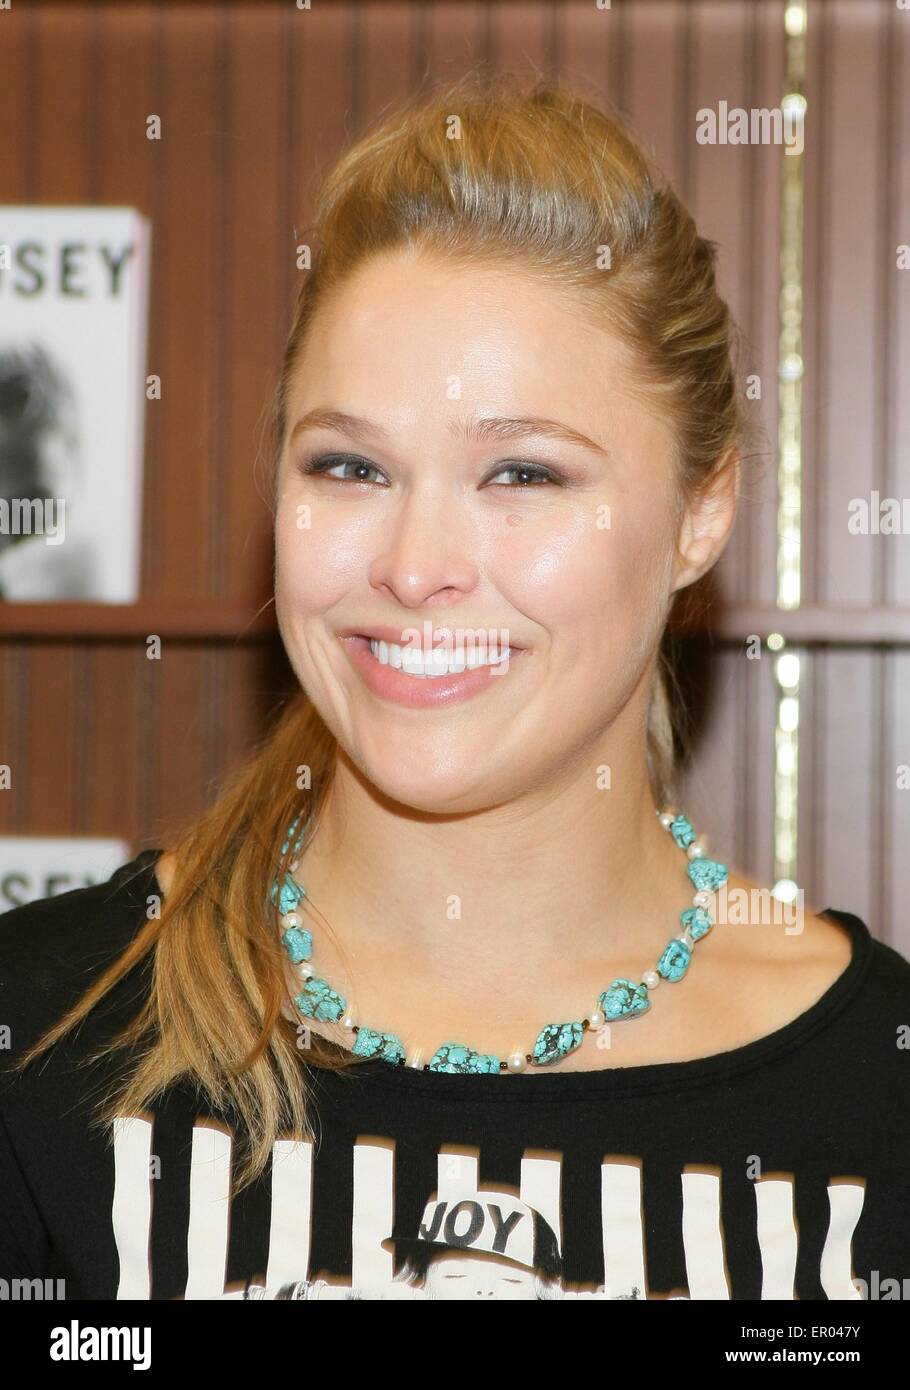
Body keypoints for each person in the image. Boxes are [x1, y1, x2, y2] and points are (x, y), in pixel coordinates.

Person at [1, 71, 908, 1304]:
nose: (415, 565)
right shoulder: (41, 1033)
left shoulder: (878, 1096)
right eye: (351, 465)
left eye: (523, 474)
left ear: (703, 511)